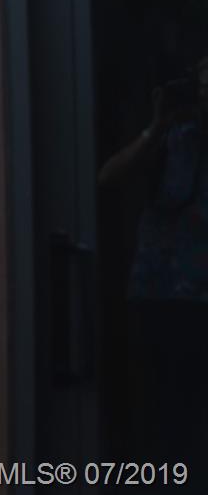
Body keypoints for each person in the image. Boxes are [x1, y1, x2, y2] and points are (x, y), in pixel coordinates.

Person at [100, 55, 208, 484]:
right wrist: (156, 127)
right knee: (158, 418)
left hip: (199, 300)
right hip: (158, 296)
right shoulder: (170, 139)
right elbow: (109, 178)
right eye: (202, 86)